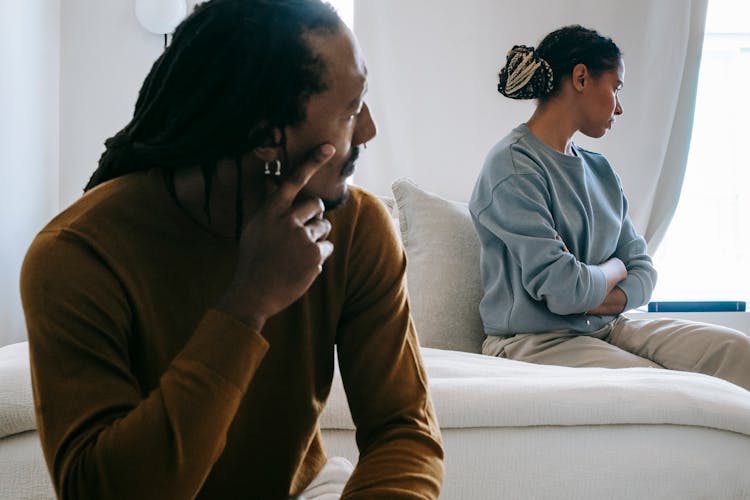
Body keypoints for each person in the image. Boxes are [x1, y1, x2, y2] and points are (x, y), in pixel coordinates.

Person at [20, 1, 444, 498]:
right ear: (266, 137)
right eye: (351, 112)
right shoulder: (76, 256)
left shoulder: (358, 229)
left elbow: (404, 431)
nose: (368, 129)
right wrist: (247, 305)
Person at [469, 25, 750, 392]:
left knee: (736, 352)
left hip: (606, 326)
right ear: (582, 78)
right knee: (662, 387)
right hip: (535, 343)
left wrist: (598, 296)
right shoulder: (513, 166)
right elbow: (564, 289)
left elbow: (643, 270)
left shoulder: (599, 169)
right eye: (616, 88)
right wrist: (614, 267)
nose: (619, 106)